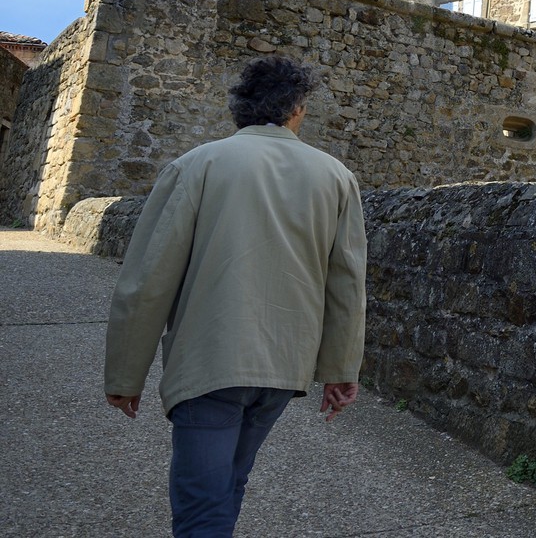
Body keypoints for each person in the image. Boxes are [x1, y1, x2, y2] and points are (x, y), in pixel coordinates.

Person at [104, 55, 367, 537]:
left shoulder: (196, 165)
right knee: (229, 484)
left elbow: (148, 279)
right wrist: (340, 370)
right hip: (283, 368)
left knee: (201, 502)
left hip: (209, 361)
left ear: (240, 110)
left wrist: (126, 372)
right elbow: (347, 282)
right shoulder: (336, 177)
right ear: (297, 110)